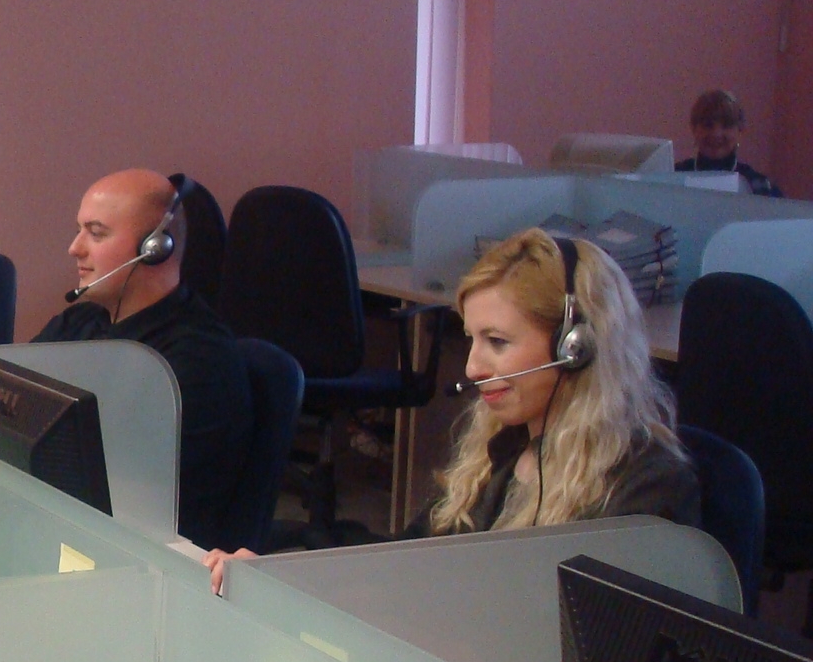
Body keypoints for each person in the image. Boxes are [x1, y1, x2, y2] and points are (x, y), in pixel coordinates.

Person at [205, 228, 700, 592]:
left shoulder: (646, 489)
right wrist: (284, 573)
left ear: (576, 347)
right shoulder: (504, 449)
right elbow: (408, 559)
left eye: (497, 342)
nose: (473, 367)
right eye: (471, 340)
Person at [32, 169, 251, 549]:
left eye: (96, 233)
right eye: (79, 230)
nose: (75, 248)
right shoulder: (82, 320)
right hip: (61, 530)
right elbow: (5, 398)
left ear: (155, 248)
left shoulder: (193, 360)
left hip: (138, 556)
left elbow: (128, 490)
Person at [675, 88, 782, 197]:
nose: (716, 134)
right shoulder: (673, 177)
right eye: (708, 125)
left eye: (726, 125)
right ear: (694, 129)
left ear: (740, 131)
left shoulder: (759, 186)